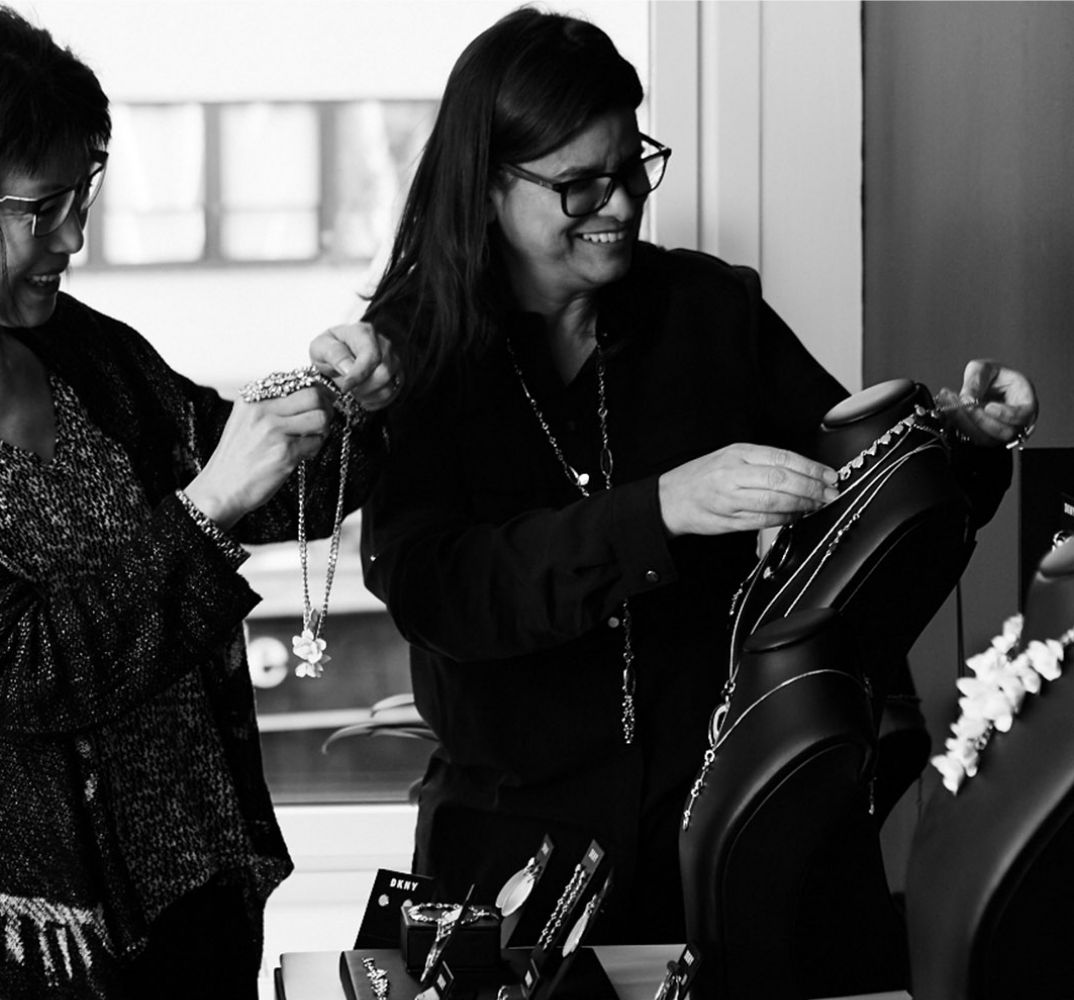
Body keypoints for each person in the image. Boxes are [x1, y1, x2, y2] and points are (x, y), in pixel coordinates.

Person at [359, 8, 1037, 944]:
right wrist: (664, 509)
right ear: (484, 188)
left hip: (730, 831)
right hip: (513, 864)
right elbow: (441, 593)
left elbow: (860, 496)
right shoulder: (411, 356)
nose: (623, 205)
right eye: (579, 184)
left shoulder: (708, 309)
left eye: (631, 166)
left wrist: (963, 442)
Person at [0, 5, 395, 997]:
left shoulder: (82, 350)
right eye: (42, 208)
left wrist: (359, 400)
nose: (75, 234)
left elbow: (287, 490)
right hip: (31, 958)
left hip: (197, 907)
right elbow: (18, 667)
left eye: (84, 193)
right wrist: (205, 506)